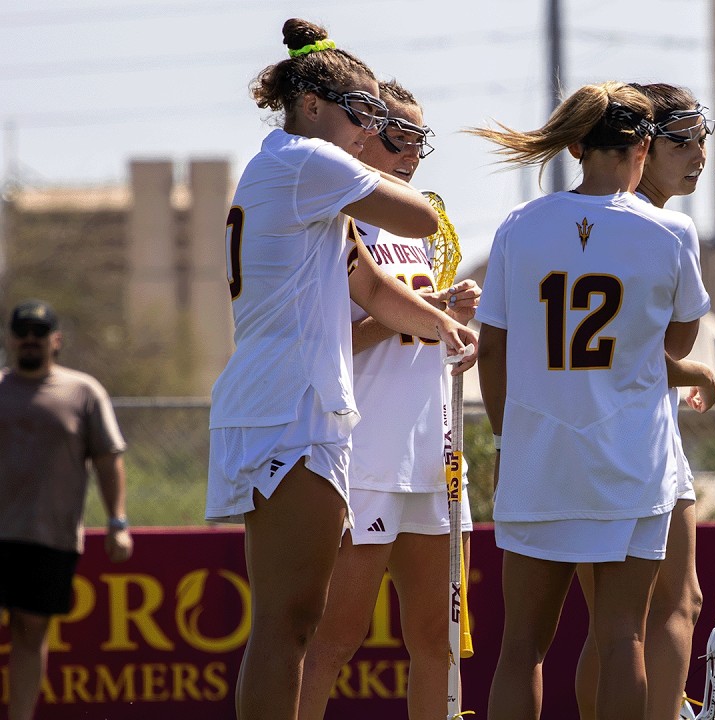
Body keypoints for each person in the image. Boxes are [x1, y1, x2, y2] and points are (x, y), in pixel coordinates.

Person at [206, 19, 477, 720]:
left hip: (294, 407)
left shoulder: (304, 177)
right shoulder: (307, 163)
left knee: (293, 625)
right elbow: (420, 219)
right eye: (365, 115)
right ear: (314, 104)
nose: (371, 132)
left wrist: (442, 324)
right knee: (289, 628)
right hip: (288, 407)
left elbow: (373, 290)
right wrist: (382, 165)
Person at [471, 81, 710, 720]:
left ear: (576, 144)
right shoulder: (671, 231)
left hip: (538, 455)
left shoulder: (520, 226)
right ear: (644, 145)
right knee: (622, 635)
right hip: (630, 460)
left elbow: (490, 350)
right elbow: (678, 340)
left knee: (520, 646)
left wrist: (505, 439)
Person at [297, 80, 481, 720]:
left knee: (439, 645)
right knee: (331, 640)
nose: (414, 153)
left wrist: (451, 329)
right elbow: (329, 342)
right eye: (400, 135)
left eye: (421, 138)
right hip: (363, 457)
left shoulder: (416, 228)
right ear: (362, 132)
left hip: (431, 455)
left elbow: (421, 333)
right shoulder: (333, 222)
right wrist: (419, 315)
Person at [573, 82, 715, 720]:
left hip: (598, 438)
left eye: (702, 140)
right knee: (652, 613)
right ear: (643, 145)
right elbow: (648, 350)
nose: (699, 154)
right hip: (627, 441)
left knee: (628, 619)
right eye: (682, 140)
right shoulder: (654, 228)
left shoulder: (599, 220)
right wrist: (696, 372)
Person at [0, 300, 132, 720]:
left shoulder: (83, 391)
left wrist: (117, 523)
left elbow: (109, 459)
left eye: (40, 333)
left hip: (49, 536)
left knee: (30, 631)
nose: (30, 341)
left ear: (55, 340)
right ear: (10, 339)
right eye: (23, 333)